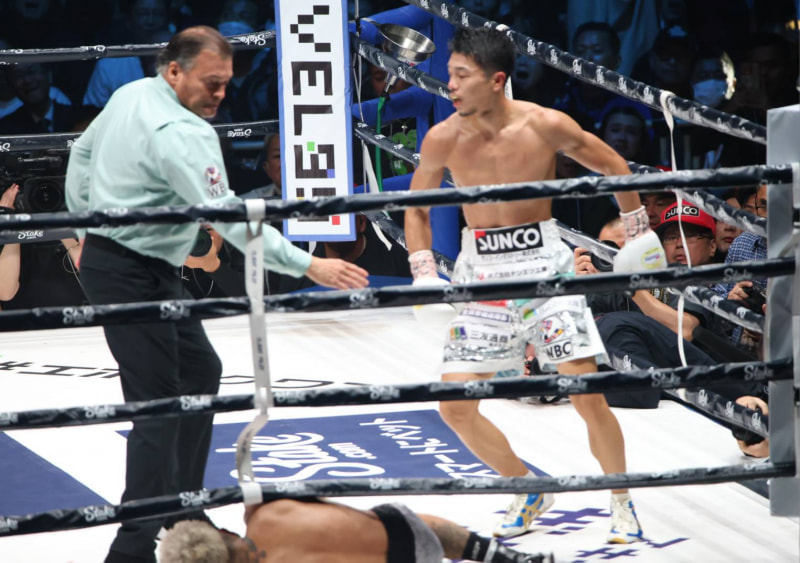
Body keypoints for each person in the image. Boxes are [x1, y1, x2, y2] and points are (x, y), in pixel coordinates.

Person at [65, 26, 368, 563]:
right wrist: (309, 264)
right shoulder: (185, 133)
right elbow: (230, 220)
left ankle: (183, 507)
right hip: (130, 272)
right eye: (211, 83)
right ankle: (131, 548)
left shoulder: (131, 93)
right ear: (174, 71)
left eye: (227, 83)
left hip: (132, 264)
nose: (221, 94)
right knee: (158, 409)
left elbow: (82, 155)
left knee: (201, 370)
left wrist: (85, 225)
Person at [405, 27, 667, 542]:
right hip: (482, 275)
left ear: (496, 80)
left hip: (545, 268)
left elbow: (612, 164)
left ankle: (621, 499)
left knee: (585, 393)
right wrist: (422, 270)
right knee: (455, 406)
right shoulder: (443, 137)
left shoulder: (545, 125)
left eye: (461, 75)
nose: (450, 85)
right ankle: (527, 488)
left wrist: (638, 231)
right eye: (450, 74)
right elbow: (417, 208)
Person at [160, 499, 553, 563]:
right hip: (411, 537)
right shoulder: (266, 512)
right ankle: (506, 558)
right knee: (396, 520)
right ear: (224, 533)